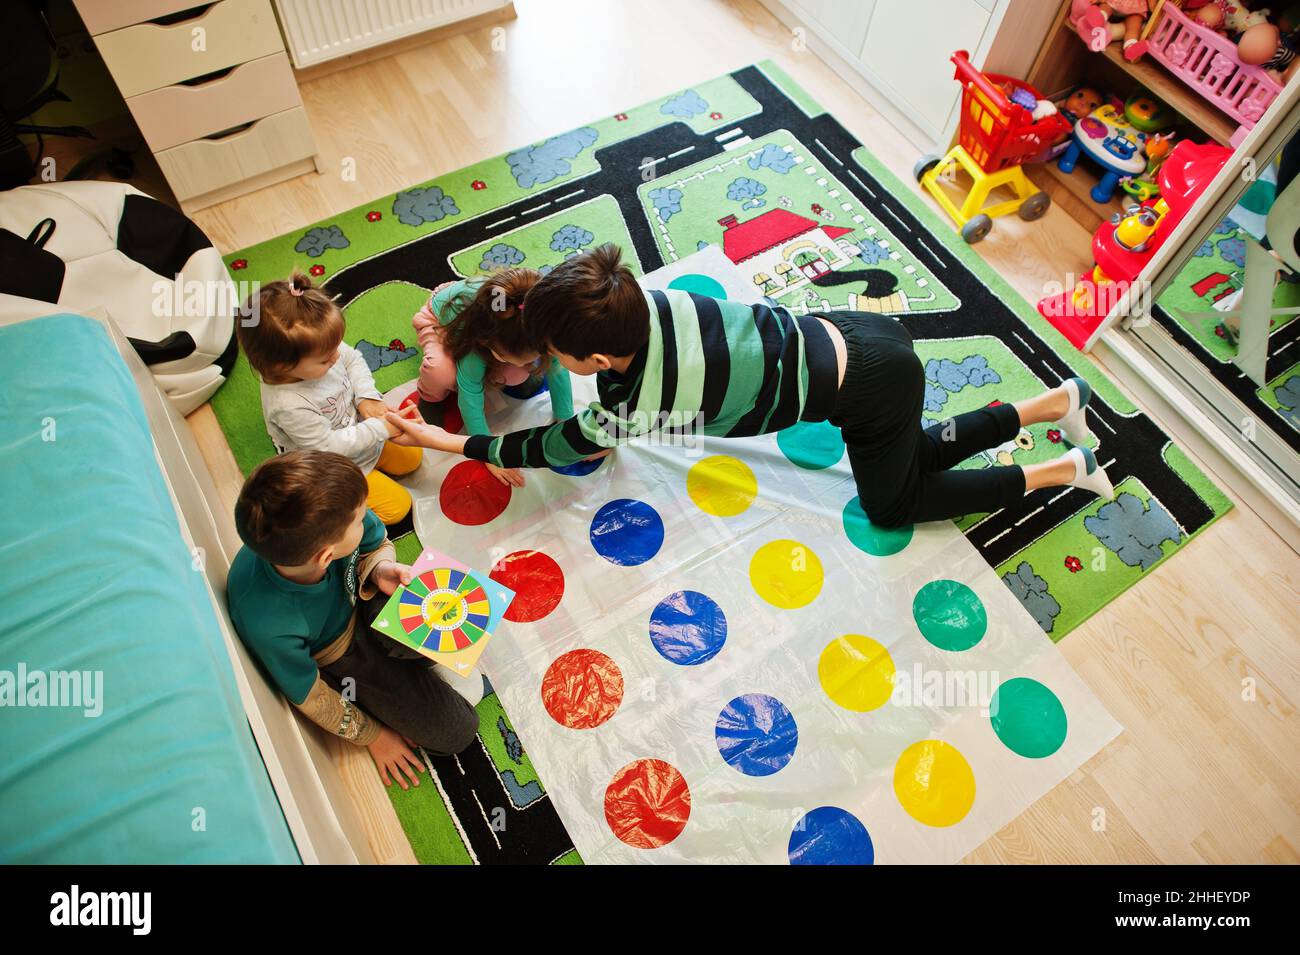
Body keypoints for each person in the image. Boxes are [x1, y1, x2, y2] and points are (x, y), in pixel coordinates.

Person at [385, 243, 1114, 529]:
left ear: (600, 360)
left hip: (869, 382)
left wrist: (445, 437)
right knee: (910, 452)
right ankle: (1053, 402)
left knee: (894, 501)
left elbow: (548, 443)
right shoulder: (647, 300)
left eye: (556, 354)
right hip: (854, 336)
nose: (550, 362)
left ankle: (1061, 469)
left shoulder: (633, 404)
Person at [226, 450, 480, 789]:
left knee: (459, 613)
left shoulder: (331, 528)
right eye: (359, 520)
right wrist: (372, 736)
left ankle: (417, 662)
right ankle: (410, 672)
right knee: (457, 732)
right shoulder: (268, 620)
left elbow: (376, 542)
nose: (367, 519)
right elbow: (311, 695)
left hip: (363, 594)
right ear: (326, 556)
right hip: (341, 651)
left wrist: (379, 568)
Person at [238, 270, 422, 525]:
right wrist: (380, 428)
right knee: (398, 509)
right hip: (333, 465)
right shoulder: (288, 405)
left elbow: (353, 358)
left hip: (360, 432)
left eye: (336, 348)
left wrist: (366, 397)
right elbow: (328, 448)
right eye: (325, 359)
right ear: (282, 367)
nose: (336, 357)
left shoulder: (322, 349)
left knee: (413, 458)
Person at [412, 268, 574, 487]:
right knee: (441, 373)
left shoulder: (538, 324)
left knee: (517, 376)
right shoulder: (478, 341)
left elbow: (557, 366)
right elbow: (469, 394)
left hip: (489, 310)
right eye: (526, 360)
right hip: (439, 318)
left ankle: (515, 367)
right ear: (491, 345)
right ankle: (431, 398)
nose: (531, 364)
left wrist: (565, 418)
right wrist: (487, 451)